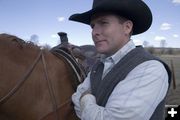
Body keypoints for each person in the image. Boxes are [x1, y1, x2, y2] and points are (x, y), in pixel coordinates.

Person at [69, 0, 171, 120]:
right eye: (93, 26)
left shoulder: (150, 68)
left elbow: (82, 100)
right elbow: (76, 99)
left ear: (127, 27)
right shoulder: (99, 66)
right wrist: (92, 110)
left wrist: (86, 99)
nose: (94, 32)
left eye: (103, 23)